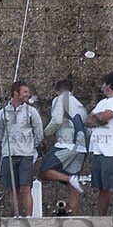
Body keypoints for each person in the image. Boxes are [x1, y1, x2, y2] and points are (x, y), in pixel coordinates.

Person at [0, 80, 45, 218]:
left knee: (25, 187)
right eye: (25, 92)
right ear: (15, 93)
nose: (27, 95)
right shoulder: (2, 113)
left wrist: (29, 145)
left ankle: (29, 216)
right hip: (9, 154)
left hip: (26, 155)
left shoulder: (31, 112)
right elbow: (0, 132)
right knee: (12, 189)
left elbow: (39, 132)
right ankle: (15, 215)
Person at [85, 72, 113, 216]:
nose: (102, 87)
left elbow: (104, 117)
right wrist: (98, 119)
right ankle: (101, 218)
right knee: (101, 188)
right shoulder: (102, 102)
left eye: (103, 84)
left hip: (112, 150)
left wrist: (98, 119)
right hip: (98, 150)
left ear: (109, 85)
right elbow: (88, 120)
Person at [39, 79, 87, 213]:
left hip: (65, 144)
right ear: (73, 90)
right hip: (81, 147)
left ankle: (68, 178)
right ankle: (74, 219)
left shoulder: (60, 99)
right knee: (73, 188)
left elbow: (57, 120)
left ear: (58, 91)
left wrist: (45, 133)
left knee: (44, 171)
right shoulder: (80, 105)